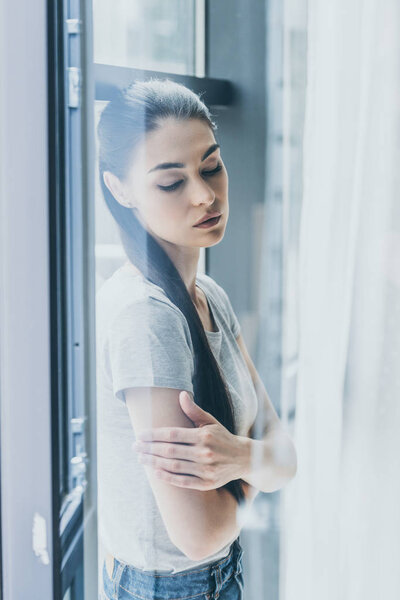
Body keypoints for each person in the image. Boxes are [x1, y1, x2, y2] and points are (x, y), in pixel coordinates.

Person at [95, 78, 296, 600]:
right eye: (170, 183)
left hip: (217, 572)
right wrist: (255, 460)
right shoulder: (146, 317)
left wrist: (241, 460)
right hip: (172, 586)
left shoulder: (208, 293)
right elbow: (200, 531)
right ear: (120, 189)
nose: (206, 195)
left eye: (211, 167)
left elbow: (287, 455)